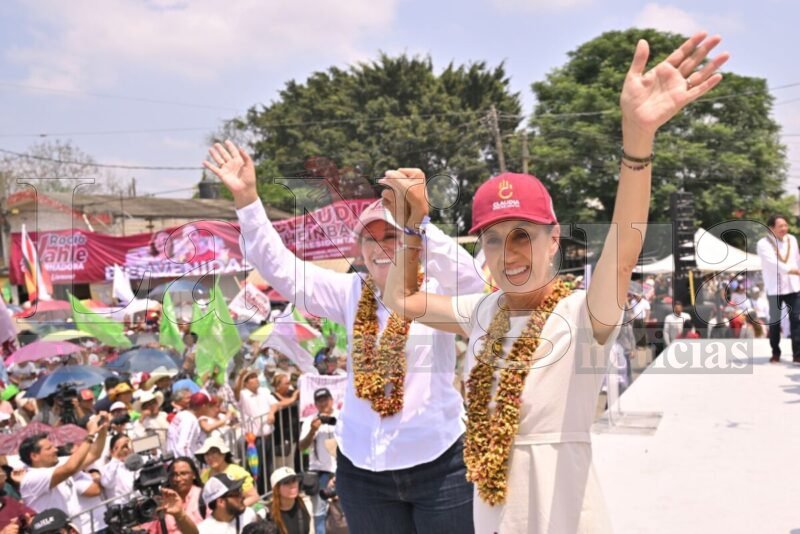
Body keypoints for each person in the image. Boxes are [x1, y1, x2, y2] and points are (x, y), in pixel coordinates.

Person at [381, 32, 727, 532]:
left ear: (553, 239)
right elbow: (400, 298)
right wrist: (410, 227)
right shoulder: (481, 312)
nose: (509, 253)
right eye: (493, 240)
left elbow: (625, 248)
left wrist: (638, 142)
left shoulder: (585, 314)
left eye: (522, 234)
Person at [205, 134, 485, 533]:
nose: (379, 246)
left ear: (412, 243)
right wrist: (248, 200)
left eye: (390, 235)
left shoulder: (437, 290)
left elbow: (477, 287)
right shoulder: (350, 292)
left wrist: (419, 222)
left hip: (439, 466)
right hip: (363, 472)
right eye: (369, 238)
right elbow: (281, 267)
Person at [19, 413, 109, 523]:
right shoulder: (31, 478)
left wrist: (102, 429)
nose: (56, 450)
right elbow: (70, 468)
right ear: (34, 456)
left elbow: (93, 455)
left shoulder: (58, 464)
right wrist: (90, 435)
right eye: (49, 448)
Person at [756, 215, 800, 363]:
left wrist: (797, 271)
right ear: (771, 228)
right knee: (775, 322)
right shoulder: (763, 244)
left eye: (785, 225)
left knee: (796, 319)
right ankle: (775, 351)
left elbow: (797, 258)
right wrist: (792, 270)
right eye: (781, 226)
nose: (784, 229)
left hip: (793, 286)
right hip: (774, 288)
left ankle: (797, 354)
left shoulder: (792, 239)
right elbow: (772, 263)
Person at [298, 389, 337, 534]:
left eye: (326, 399)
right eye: (319, 401)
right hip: (319, 472)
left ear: (332, 400)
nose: (323, 403)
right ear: (315, 404)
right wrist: (312, 431)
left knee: (344, 510)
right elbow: (302, 447)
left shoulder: (342, 417)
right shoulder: (310, 420)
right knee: (319, 513)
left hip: (340, 471)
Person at [145, 458, 205, 534]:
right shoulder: (165, 501)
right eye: (174, 474)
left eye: (183, 473)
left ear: (194, 475)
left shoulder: (204, 497)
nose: (178, 479)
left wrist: (179, 515)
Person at [196, 436, 260, 507]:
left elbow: (253, 497)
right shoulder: (204, 476)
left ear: (223, 454)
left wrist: (234, 510)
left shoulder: (237, 472)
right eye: (207, 454)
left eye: (213, 452)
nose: (210, 457)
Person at [268, 468, 313, 534]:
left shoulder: (306, 505)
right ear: (277, 488)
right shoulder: (268, 513)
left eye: (294, 480)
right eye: (286, 482)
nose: (292, 485)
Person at [167, 392, 210, 458]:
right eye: (208, 406)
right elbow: (183, 447)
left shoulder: (182, 414)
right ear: (203, 406)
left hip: (173, 457)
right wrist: (191, 465)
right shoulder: (190, 420)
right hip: (180, 461)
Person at [100, 434, 135, 499]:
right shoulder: (106, 468)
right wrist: (116, 456)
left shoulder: (136, 463)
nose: (125, 450)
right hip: (121, 507)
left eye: (126, 446)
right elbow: (107, 483)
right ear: (111, 451)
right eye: (122, 447)